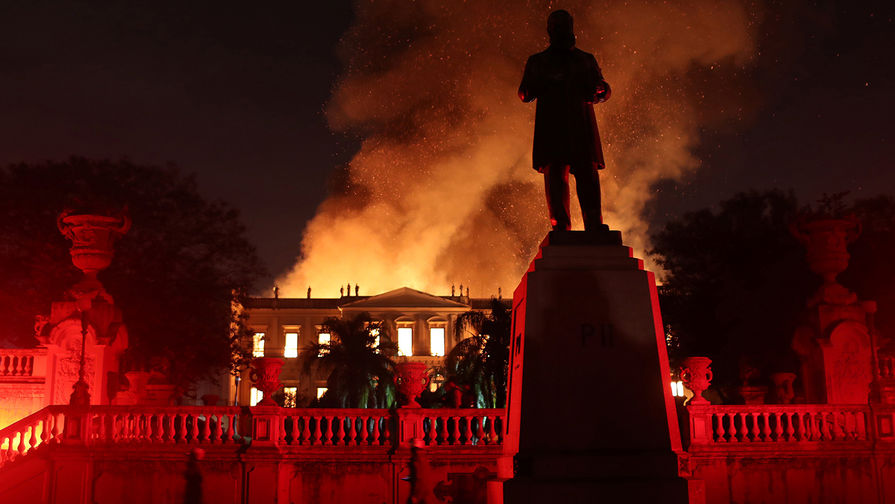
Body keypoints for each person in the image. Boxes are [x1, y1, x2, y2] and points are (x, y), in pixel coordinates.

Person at [519, 9, 611, 231]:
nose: (562, 30)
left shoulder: (585, 59)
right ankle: (561, 226)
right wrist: (548, 81)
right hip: (553, 128)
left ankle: (594, 225)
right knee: (556, 178)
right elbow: (524, 93)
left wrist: (602, 89)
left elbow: (602, 88)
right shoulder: (539, 61)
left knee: (587, 176)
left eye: (565, 25)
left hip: (580, 127)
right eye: (558, 26)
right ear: (550, 30)